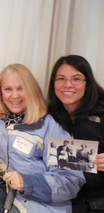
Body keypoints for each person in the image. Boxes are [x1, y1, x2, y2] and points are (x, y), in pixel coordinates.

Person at [0, 63, 85, 213]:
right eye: (8, 89)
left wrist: (27, 183)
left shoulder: (52, 124)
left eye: (21, 88)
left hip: (35, 197)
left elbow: (73, 179)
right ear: (1, 93)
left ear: (31, 90)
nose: (15, 95)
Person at [48, 55, 104, 212]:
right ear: (53, 84)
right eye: (61, 78)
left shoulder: (101, 113)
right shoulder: (49, 116)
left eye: (76, 79)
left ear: (87, 84)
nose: (68, 85)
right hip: (62, 200)